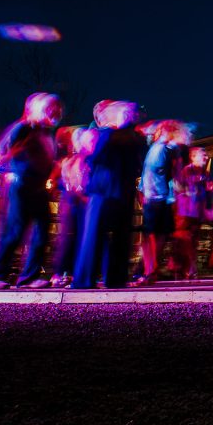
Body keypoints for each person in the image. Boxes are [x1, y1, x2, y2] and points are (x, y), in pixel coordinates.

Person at [0, 93, 63, 290]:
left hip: (38, 186)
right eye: (52, 108)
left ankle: (29, 277)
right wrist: (8, 154)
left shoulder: (45, 132)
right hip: (22, 185)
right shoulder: (25, 128)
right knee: (15, 231)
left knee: (41, 232)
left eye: (57, 108)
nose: (56, 112)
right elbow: (5, 151)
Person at [73, 101, 148, 289]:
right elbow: (138, 164)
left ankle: (85, 279)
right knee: (119, 235)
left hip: (103, 189)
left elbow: (93, 158)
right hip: (120, 189)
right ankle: (115, 278)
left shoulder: (106, 135)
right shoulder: (134, 138)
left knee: (95, 234)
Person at [135, 120, 182, 286]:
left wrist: (144, 192)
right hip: (160, 197)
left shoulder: (160, 149)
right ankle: (150, 270)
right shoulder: (165, 150)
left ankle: (150, 271)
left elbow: (152, 172)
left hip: (156, 196)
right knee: (157, 235)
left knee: (152, 235)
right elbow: (155, 172)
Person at [50, 126, 94, 288]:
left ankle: (73, 272)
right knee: (68, 237)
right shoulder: (70, 161)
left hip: (80, 202)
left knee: (79, 237)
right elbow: (60, 180)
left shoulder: (84, 160)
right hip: (72, 202)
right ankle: (61, 272)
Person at [172, 146, 213, 280]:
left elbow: (208, 191)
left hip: (197, 212)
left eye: (206, 155)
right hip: (185, 212)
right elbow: (176, 185)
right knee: (185, 240)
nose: (206, 157)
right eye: (203, 155)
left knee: (193, 240)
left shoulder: (205, 173)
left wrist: (209, 192)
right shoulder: (186, 171)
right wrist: (187, 192)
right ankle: (185, 269)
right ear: (193, 156)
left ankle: (187, 270)